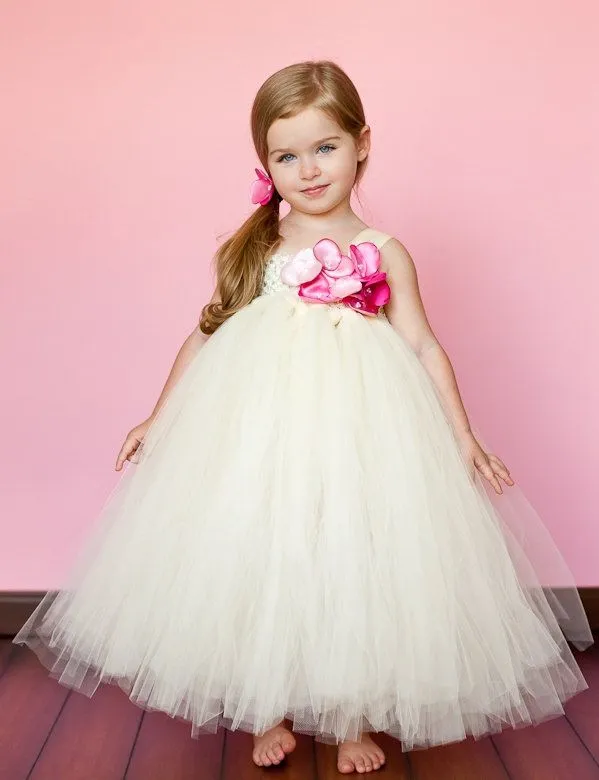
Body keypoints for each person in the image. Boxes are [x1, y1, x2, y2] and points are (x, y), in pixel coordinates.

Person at [13, 60, 593, 776]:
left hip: (360, 436)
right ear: (265, 165)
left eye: (324, 148)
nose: (309, 170)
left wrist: (463, 435)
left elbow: (420, 341)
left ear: (361, 144)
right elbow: (205, 334)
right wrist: (157, 419)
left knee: (350, 558)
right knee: (266, 555)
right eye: (286, 156)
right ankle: (271, 709)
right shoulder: (255, 248)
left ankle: (351, 717)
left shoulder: (383, 252)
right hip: (261, 436)